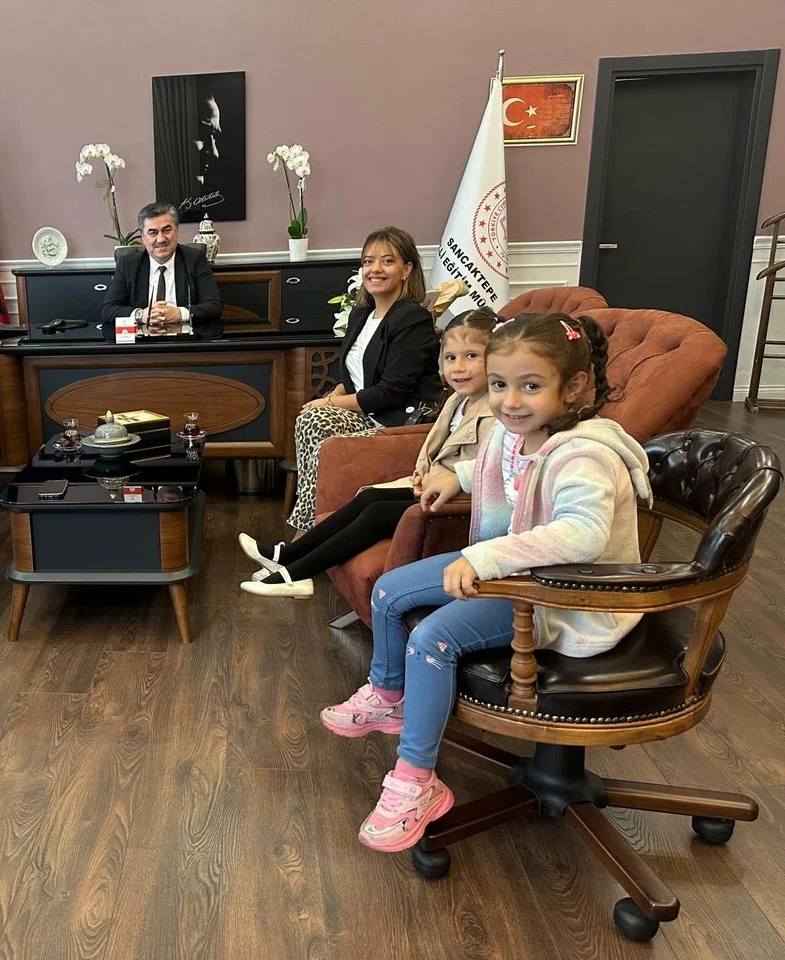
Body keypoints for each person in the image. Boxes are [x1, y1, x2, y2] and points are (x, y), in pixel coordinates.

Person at [320, 312, 651, 854]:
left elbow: (583, 534)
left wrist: (484, 556)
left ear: (574, 387)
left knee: (432, 639)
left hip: (560, 596)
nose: (510, 401)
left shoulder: (585, 455)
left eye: (530, 386)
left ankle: (416, 781)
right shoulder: (512, 433)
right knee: (391, 589)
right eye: (499, 385)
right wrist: (457, 475)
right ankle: (388, 694)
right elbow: (505, 469)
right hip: (516, 570)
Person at [239, 308, 497, 598]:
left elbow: (493, 466)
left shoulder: (497, 410)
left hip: (458, 501)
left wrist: (447, 479)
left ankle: (297, 574)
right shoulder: (457, 401)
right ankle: (286, 555)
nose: (458, 367)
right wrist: (421, 472)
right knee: (368, 497)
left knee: (376, 513)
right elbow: (432, 447)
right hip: (430, 488)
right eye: (450, 358)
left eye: (471, 356)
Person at [286, 226, 442, 531]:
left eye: (387, 261)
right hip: (367, 415)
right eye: (368, 261)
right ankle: (314, 526)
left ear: (407, 269)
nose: (375, 269)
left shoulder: (411, 317)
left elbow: (390, 392)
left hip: (397, 420)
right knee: (311, 418)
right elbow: (354, 380)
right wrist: (329, 397)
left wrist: (330, 403)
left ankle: (306, 532)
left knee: (316, 419)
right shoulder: (360, 316)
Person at [99, 202, 223, 340]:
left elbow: (214, 306)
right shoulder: (128, 264)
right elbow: (108, 310)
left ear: (177, 232)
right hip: (141, 345)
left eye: (166, 230)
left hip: (186, 343)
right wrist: (141, 315)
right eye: (153, 233)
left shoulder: (194, 260)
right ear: (143, 237)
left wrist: (180, 314)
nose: (161, 239)